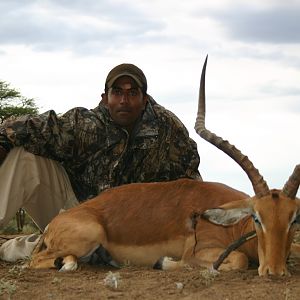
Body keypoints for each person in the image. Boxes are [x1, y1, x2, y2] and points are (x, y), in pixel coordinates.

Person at [0, 63, 201, 233]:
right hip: (79, 212)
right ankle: (67, 241)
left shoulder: (167, 127)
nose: (124, 101)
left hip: (140, 225)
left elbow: (191, 179)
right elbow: (29, 127)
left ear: (144, 99)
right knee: (24, 157)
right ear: (105, 99)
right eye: (117, 92)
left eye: (132, 93)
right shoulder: (86, 123)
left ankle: (35, 247)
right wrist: (3, 142)